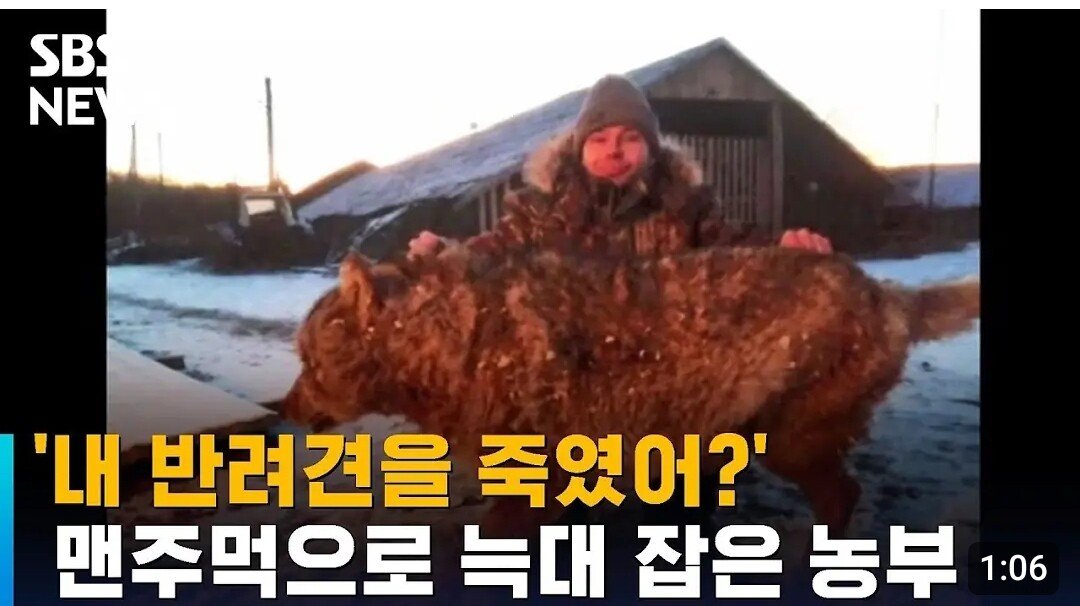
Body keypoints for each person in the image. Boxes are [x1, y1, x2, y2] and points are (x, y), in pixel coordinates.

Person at [408, 74, 831, 262]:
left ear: (651, 149)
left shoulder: (687, 207)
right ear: (579, 150)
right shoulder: (537, 212)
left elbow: (737, 248)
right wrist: (442, 252)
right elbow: (485, 254)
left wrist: (785, 247)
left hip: (662, 366)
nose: (614, 151)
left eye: (630, 138)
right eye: (599, 139)